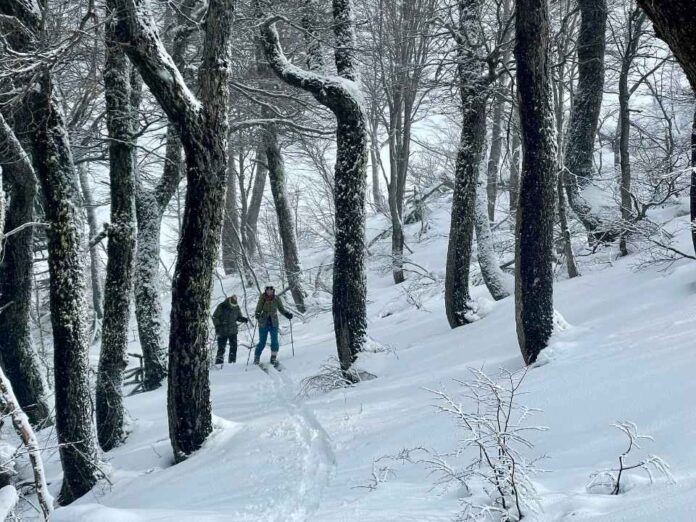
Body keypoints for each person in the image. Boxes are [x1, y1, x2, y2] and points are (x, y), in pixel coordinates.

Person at [254, 285, 293, 366]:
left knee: (274, 341)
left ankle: (273, 358)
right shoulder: (262, 298)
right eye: (267, 289)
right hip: (263, 322)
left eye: (270, 289)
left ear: (273, 290)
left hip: (273, 322)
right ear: (265, 290)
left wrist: (287, 314)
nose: (269, 291)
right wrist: (257, 314)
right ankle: (256, 357)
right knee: (262, 342)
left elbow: (281, 309)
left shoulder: (276, 298)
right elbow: (258, 309)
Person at [212, 295, 249, 365]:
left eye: (235, 300)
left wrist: (243, 319)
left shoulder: (236, 307)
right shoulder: (222, 306)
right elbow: (215, 317)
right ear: (229, 300)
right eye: (233, 300)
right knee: (221, 348)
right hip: (222, 330)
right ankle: (219, 363)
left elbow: (238, 317)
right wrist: (217, 325)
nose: (234, 302)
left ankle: (232, 363)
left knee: (234, 347)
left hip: (233, 331)